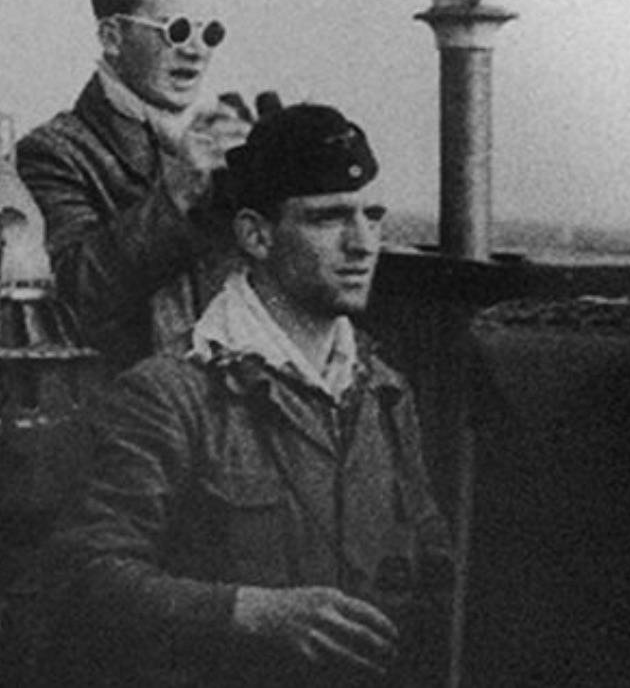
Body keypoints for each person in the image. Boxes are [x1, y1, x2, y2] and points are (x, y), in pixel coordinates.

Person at [41, 103, 453, 688]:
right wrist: (247, 612)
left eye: (373, 216)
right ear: (256, 235)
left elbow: (434, 568)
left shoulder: (384, 393)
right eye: (328, 218)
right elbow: (83, 580)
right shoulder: (171, 396)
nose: (363, 243)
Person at [17, 0, 254, 376]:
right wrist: (177, 196)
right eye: (176, 30)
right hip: (131, 408)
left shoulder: (224, 143)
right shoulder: (55, 152)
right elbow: (72, 301)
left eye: (211, 33)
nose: (196, 49)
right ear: (112, 37)